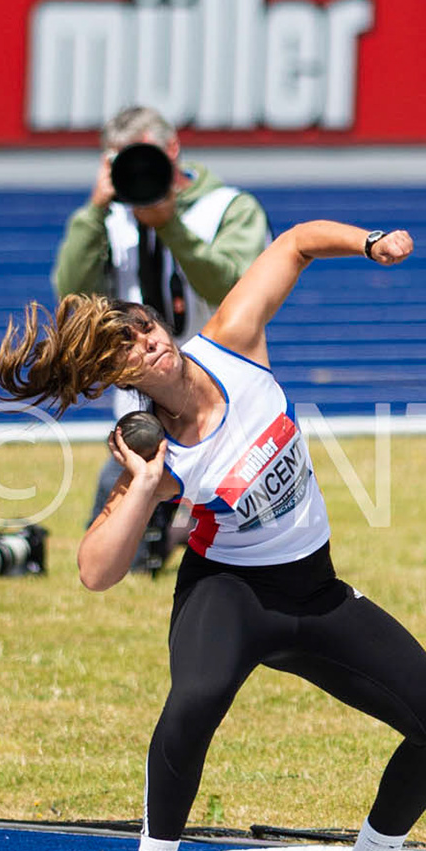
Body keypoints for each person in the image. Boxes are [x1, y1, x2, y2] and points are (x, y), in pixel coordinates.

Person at [0, 222, 426, 851]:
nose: (150, 341)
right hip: (231, 595)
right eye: (129, 347)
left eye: (148, 326)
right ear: (122, 378)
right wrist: (147, 484)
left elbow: (296, 245)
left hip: (315, 593)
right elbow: (95, 571)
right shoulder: (153, 449)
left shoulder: (233, 342)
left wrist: (371, 243)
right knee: (196, 699)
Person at [53, 105, 271, 561]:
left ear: (173, 150)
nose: (137, 171)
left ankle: (181, 539)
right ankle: (153, 548)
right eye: (123, 161)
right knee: (128, 544)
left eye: (144, 157)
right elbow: (72, 300)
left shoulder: (229, 208)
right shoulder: (110, 220)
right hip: (142, 392)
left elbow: (233, 288)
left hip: (219, 390)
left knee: (246, 523)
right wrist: (93, 212)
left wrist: (169, 224)